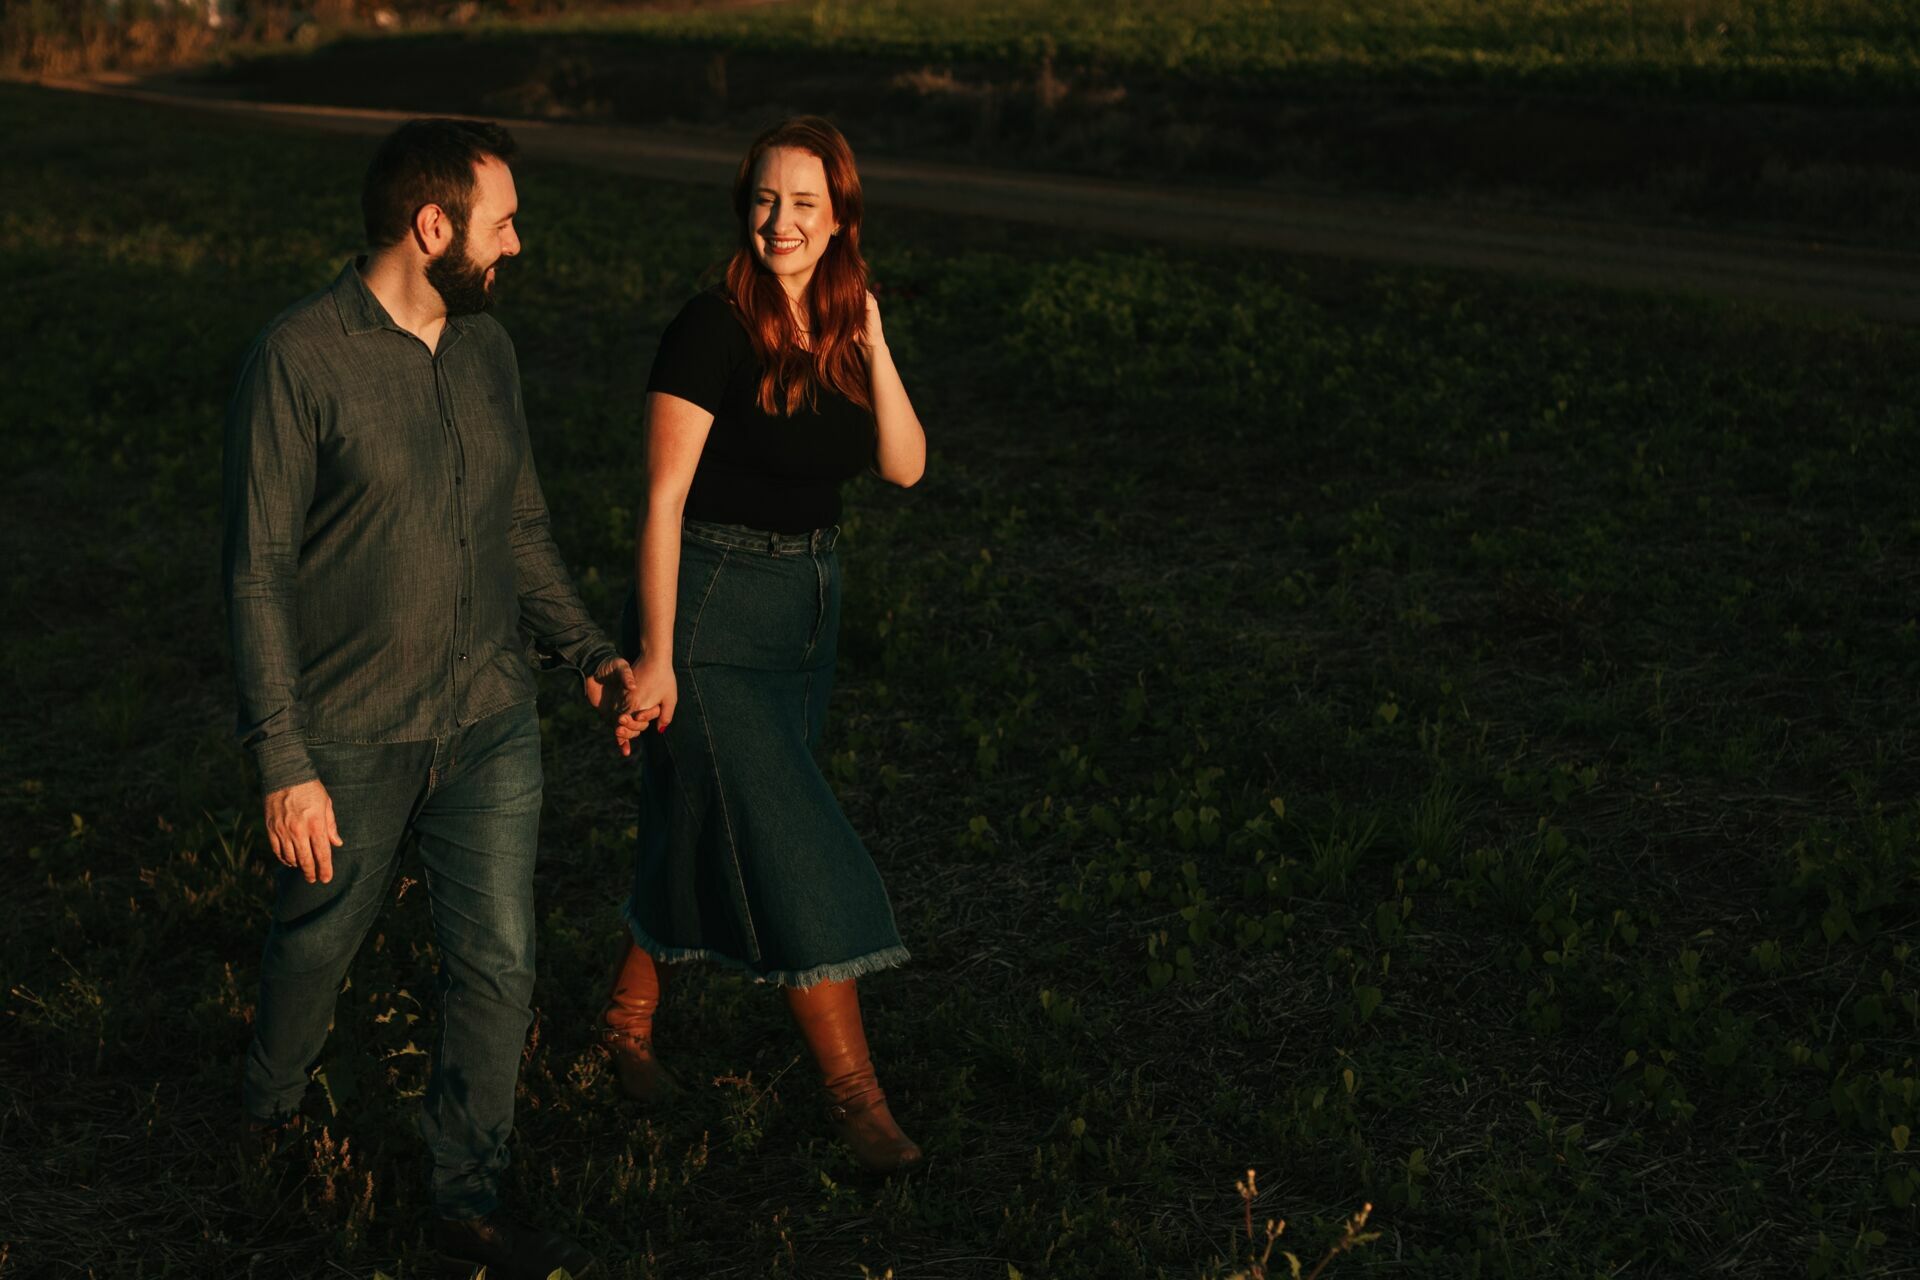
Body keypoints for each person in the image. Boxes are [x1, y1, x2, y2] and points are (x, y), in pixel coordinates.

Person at [223, 118, 632, 1278]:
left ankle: (467, 1193)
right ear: (432, 225)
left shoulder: (488, 350)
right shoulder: (299, 357)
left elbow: (522, 528)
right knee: (316, 945)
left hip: (490, 716)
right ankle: (269, 1122)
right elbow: (256, 571)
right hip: (350, 731)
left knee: (498, 959)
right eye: (503, 223)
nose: (518, 244)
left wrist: (590, 651)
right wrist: (282, 760)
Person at [599, 116, 928, 1174]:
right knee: (791, 841)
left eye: (804, 204)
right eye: (765, 199)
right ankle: (857, 1102)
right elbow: (662, 498)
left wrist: (872, 340)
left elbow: (905, 466)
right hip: (710, 610)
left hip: (807, 609)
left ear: (839, 219)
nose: (781, 222)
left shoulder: (839, 326)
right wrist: (657, 655)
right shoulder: (712, 326)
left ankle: (624, 1021)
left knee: (706, 812)